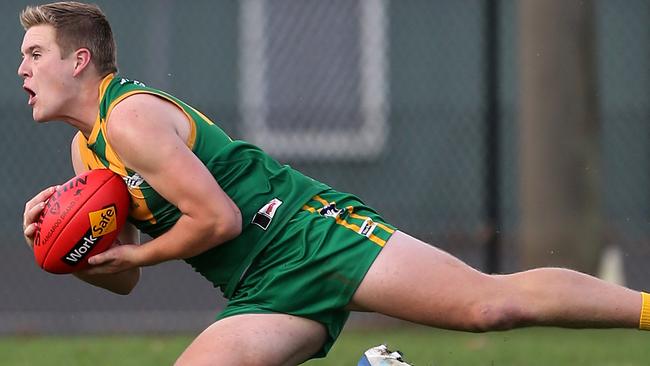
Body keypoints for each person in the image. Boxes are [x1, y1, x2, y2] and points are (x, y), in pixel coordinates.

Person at [17, 2, 650, 365]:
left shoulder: (129, 118)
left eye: (34, 53)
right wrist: (65, 250)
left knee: (490, 305)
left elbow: (219, 221)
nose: (21, 67)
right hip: (262, 287)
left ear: (79, 60)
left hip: (310, 234)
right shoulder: (86, 152)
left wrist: (138, 252)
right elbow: (123, 277)